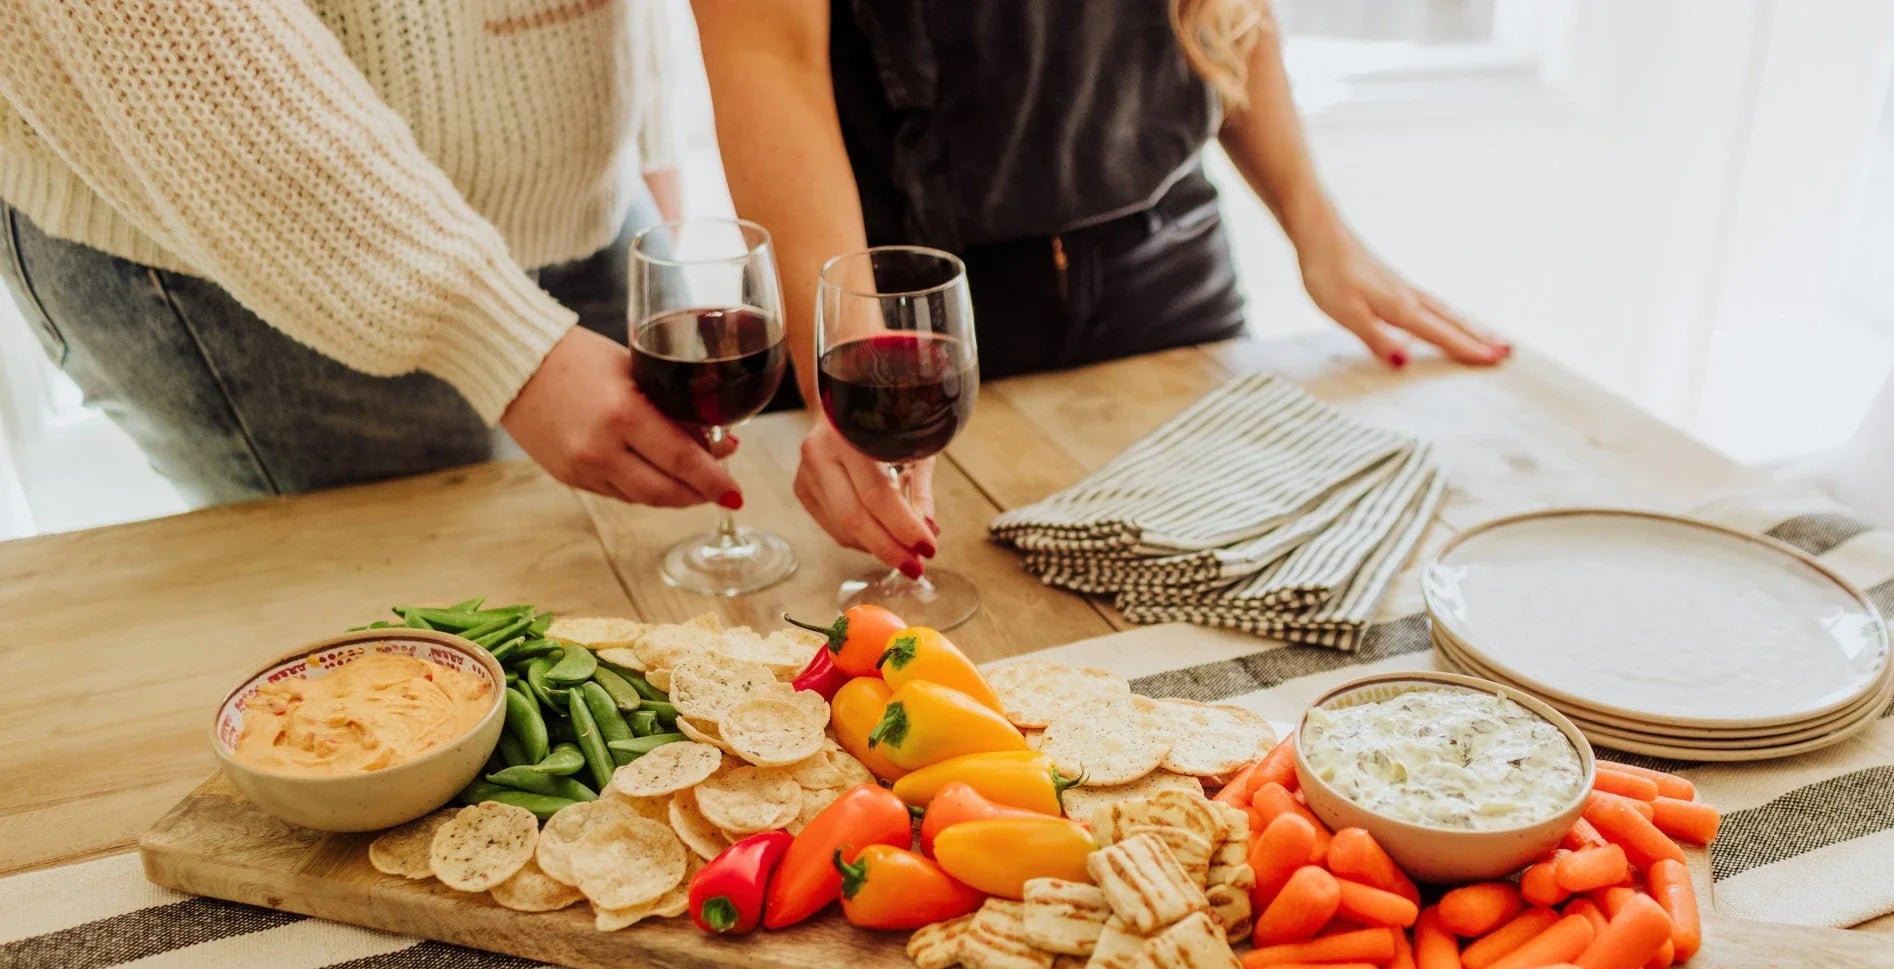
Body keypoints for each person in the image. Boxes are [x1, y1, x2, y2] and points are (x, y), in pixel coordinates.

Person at [692, 0, 1511, 581]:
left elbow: (1223, 12)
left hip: (1171, 278)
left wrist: (1319, 229)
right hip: (922, 311)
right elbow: (772, 56)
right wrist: (850, 356)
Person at [0, 1, 740, 511]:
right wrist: (489, 331)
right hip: (250, 240)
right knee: (407, 647)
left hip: (586, 198)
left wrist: (648, 135)